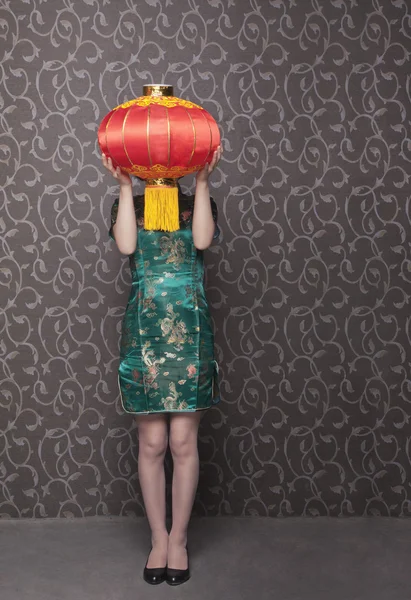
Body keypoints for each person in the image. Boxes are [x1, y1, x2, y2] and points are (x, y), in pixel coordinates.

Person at [102, 146, 222, 586]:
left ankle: (179, 539)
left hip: (190, 331)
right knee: (152, 443)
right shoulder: (126, 204)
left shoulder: (196, 202)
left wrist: (204, 182)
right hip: (144, 331)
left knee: (182, 442)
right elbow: (127, 246)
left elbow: (203, 241)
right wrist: (123, 184)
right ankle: (158, 538)